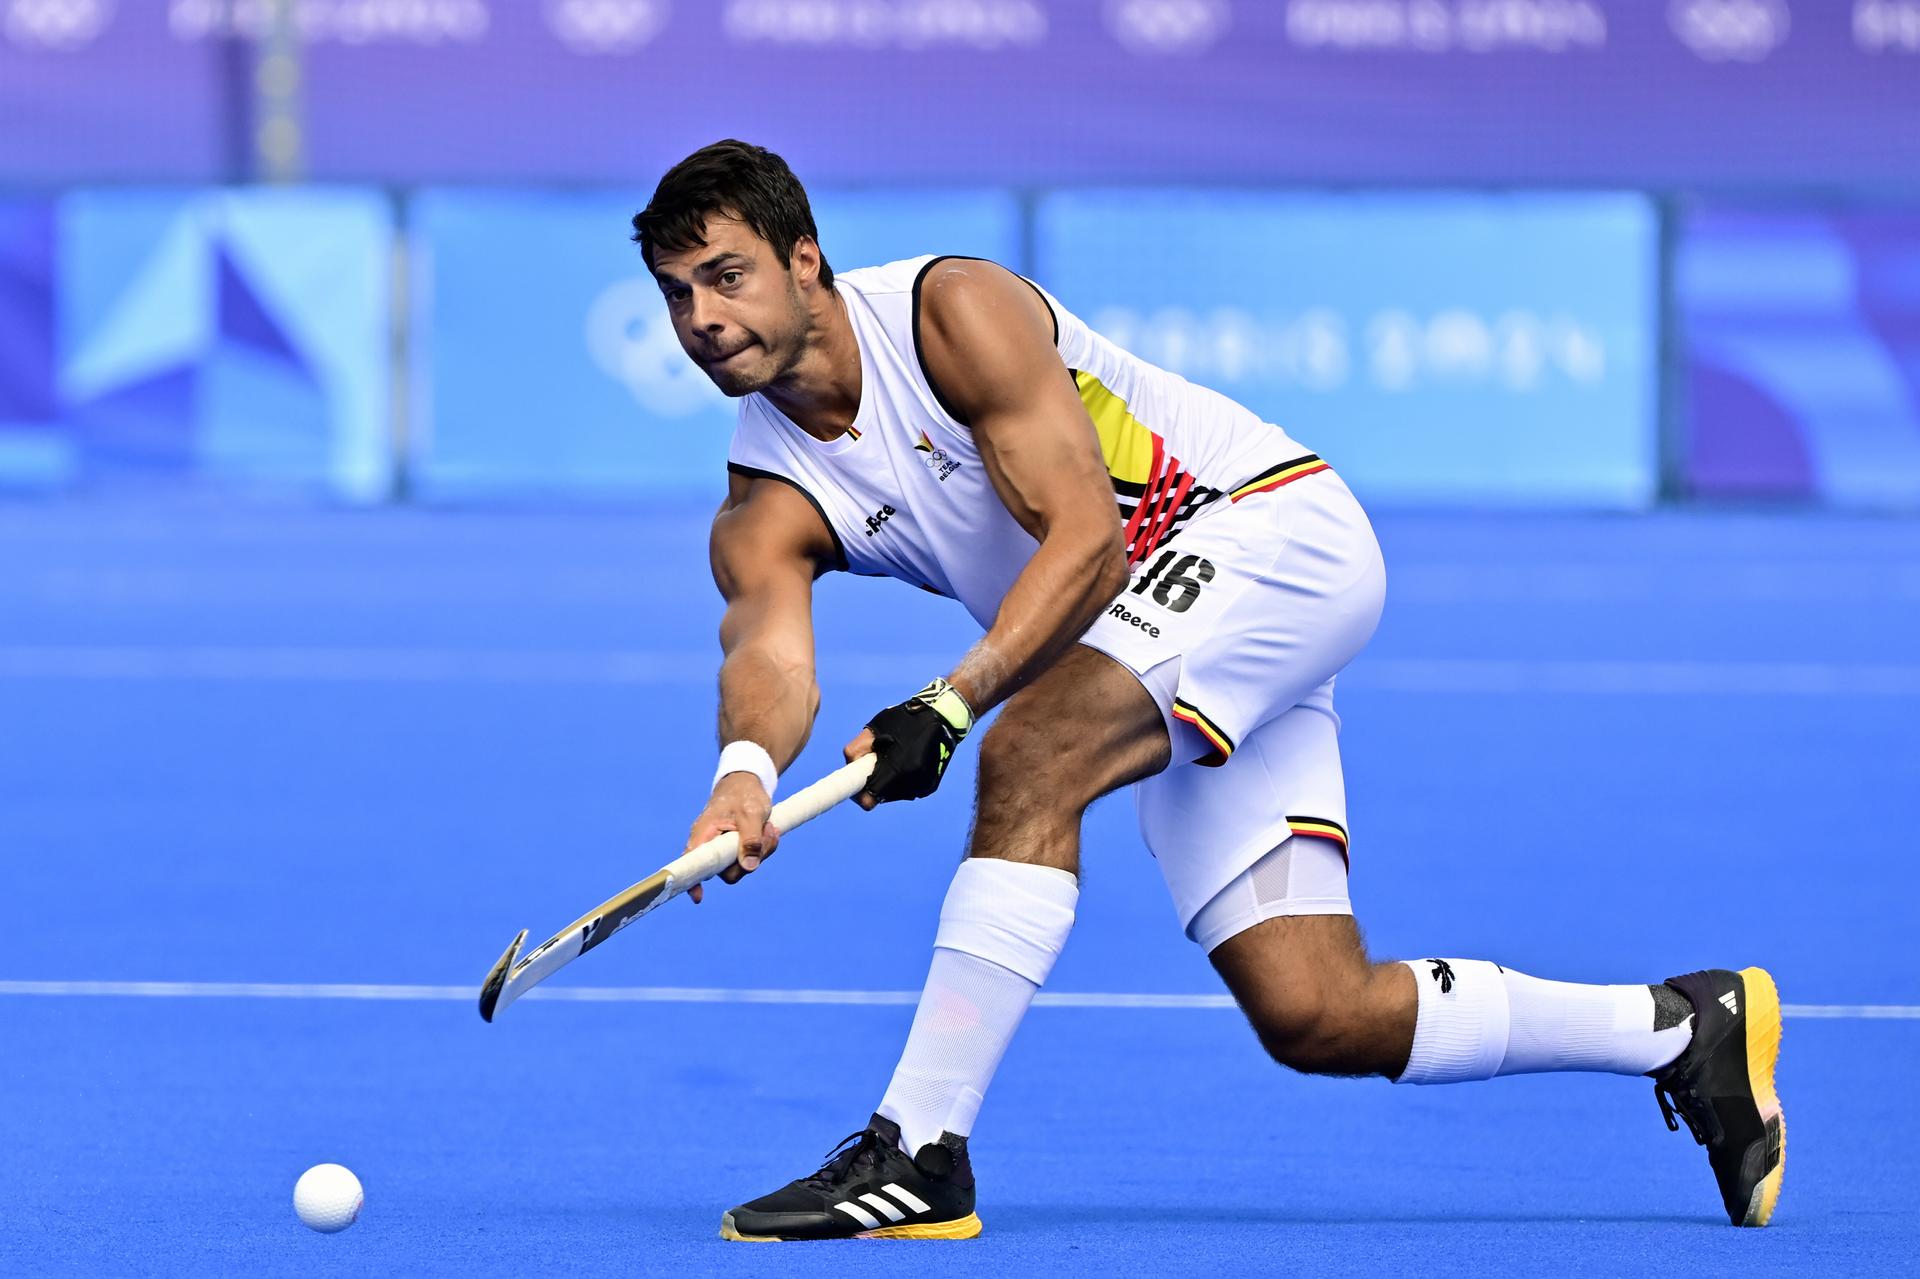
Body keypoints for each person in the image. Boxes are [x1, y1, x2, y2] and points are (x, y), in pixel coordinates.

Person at [633, 140, 1784, 1242]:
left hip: (1264, 532)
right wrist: (744, 777)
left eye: (726, 277)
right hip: (1157, 636)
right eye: (679, 295)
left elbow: (1087, 539)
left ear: (804, 259)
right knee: (1314, 1008)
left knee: (1033, 750)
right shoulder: (762, 498)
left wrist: (951, 699)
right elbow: (771, 658)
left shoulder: (949, 315)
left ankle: (918, 1149)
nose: (704, 321)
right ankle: (1681, 1026)